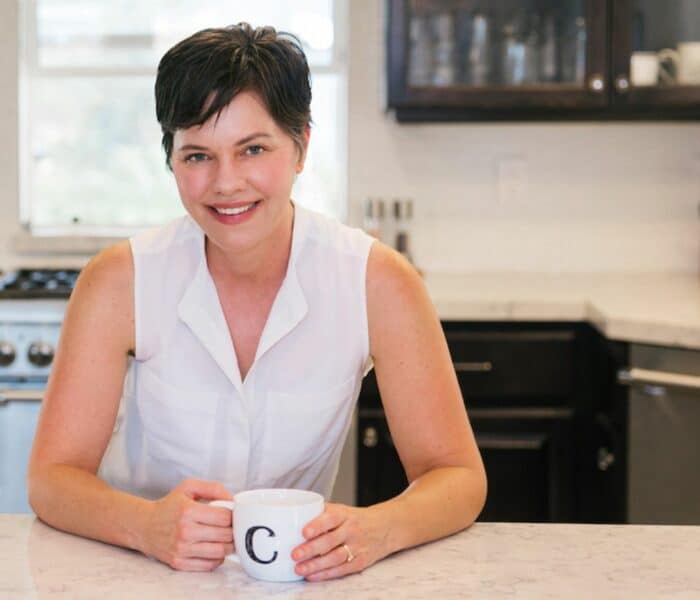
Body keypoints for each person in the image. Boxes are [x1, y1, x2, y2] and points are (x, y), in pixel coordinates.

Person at [28, 23, 486, 581]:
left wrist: (377, 529)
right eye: (197, 156)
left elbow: (458, 475)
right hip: (141, 575)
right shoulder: (119, 281)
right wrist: (145, 525)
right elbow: (53, 477)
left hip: (292, 582)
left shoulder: (376, 281)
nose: (226, 183)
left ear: (301, 147)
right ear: (171, 159)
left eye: (253, 149)